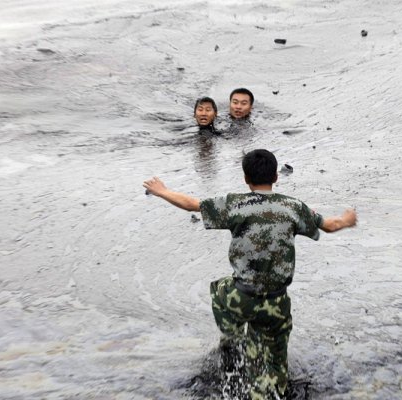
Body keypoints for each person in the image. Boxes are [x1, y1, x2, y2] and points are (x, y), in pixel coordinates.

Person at [143, 149, 357, 399]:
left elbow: (193, 204)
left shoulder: (236, 204)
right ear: (276, 176)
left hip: (241, 297)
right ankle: (268, 388)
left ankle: (232, 342)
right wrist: (346, 219)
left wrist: (162, 191)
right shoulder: (293, 207)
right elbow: (329, 226)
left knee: (219, 289)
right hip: (277, 304)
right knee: (274, 365)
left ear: (246, 178)